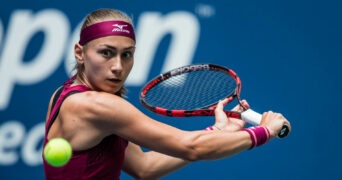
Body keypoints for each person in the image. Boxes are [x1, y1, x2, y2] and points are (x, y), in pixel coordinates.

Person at [42, 8, 291, 180]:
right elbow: (192, 148)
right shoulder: (97, 106)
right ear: (80, 53)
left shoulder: (63, 94)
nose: (118, 66)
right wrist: (264, 131)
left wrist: (218, 132)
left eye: (127, 54)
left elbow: (145, 168)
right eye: (106, 53)